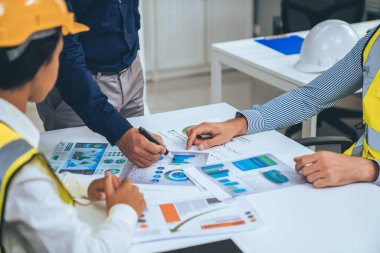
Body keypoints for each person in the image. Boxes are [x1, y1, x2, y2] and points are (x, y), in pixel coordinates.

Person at [0, 1, 146, 252]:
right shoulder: (21, 170)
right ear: (41, 65)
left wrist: (83, 186)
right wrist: (125, 210)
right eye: (58, 55)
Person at [186, 25, 380, 189]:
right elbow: (310, 97)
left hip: (365, 176)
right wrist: (238, 124)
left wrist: (368, 169)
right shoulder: (374, 41)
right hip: (360, 182)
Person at [36, 0, 165, 168]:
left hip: (130, 69)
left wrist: (131, 43)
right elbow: (64, 53)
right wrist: (120, 132)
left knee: (141, 167)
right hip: (80, 84)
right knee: (80, 181)